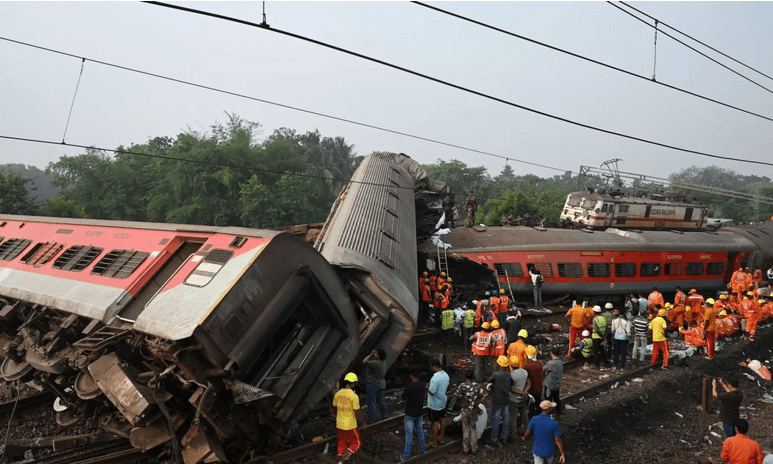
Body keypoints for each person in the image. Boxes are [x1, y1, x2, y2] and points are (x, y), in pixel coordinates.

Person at [333, 372, 367, 463]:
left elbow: (334, 408)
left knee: (342, 441)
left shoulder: (337, 394)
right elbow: (357, 412)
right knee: (356, 443)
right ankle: (344, 460)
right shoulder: (354, 396)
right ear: (353, 384)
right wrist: (363, 422)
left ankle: (339, 456)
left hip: (339, 423)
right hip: (350, 424)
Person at [453, 370, 486, 455]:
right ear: (473, 376)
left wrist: (463, 400)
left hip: (464, 410)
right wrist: (478, 402)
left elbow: (456, 395)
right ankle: (474, 448)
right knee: (473, 429)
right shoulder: (477, 385)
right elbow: (484, 394)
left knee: (466, 430)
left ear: (465, 376)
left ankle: (466, 448)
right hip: (473, 411)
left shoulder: (462, 385)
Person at [487, 356, 513, 447]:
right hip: (506, 400)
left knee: (495, 420)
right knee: (506, 419)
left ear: (499, 364)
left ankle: (494, 438)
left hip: (497, 400)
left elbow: (489, 382)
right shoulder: (509, 374)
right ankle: (504, 437)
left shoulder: (495, 375)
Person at [399, 371, 426, 461]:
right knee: (420, 432)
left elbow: (403, 397)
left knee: (409, 436)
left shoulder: (409, 387)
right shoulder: (422, 386)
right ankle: (422, 450)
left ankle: (406, 456)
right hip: (419, 413)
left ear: (412, 376)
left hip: (410, 414)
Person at [427, 359, 450, 448]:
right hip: (442, 401)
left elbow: (432, 391)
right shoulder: (446, 375)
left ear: (434, 367)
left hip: (434, 404)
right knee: (442, 419)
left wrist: (427, 387)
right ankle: (441, 438)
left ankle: (434, 442)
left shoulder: (435, 378)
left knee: (435, 422)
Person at [362, 348, 388, 422]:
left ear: (379, 356)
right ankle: (384, 414)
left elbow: (364, 361)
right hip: (381, 384)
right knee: (381, 400)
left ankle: (371, 418)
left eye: (376, 353)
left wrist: (370, 354)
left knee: (371, 401)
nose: (374, 354)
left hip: (373, 384)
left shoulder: (375, 363)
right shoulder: (384, 362)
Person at [509, 355, 531, 437]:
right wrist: (525, 392)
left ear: (510, 365)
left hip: (514, 399)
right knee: (524, 415)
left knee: (513, 417)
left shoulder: (511, 375)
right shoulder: (525, 372)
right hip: (523, 399)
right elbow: (529, 384)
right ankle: (527, 431)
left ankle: (513, 434)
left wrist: (521, 393)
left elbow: (512, 389)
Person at [523, 345, 544, 419]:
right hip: (539, 389)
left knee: (531, 407)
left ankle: (533, 421)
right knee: (538, 405)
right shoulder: (539, 363)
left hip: (531, 391)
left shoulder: (527, 365)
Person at [543, 346, 564, 419]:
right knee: (556, 399)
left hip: (549, 385)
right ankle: (558, 413)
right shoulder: (560, 362)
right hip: (557, 384)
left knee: (548, 400)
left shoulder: (551, 363)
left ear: (551, 353)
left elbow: (543, 369)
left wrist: (546, 372)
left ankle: (547, 415)